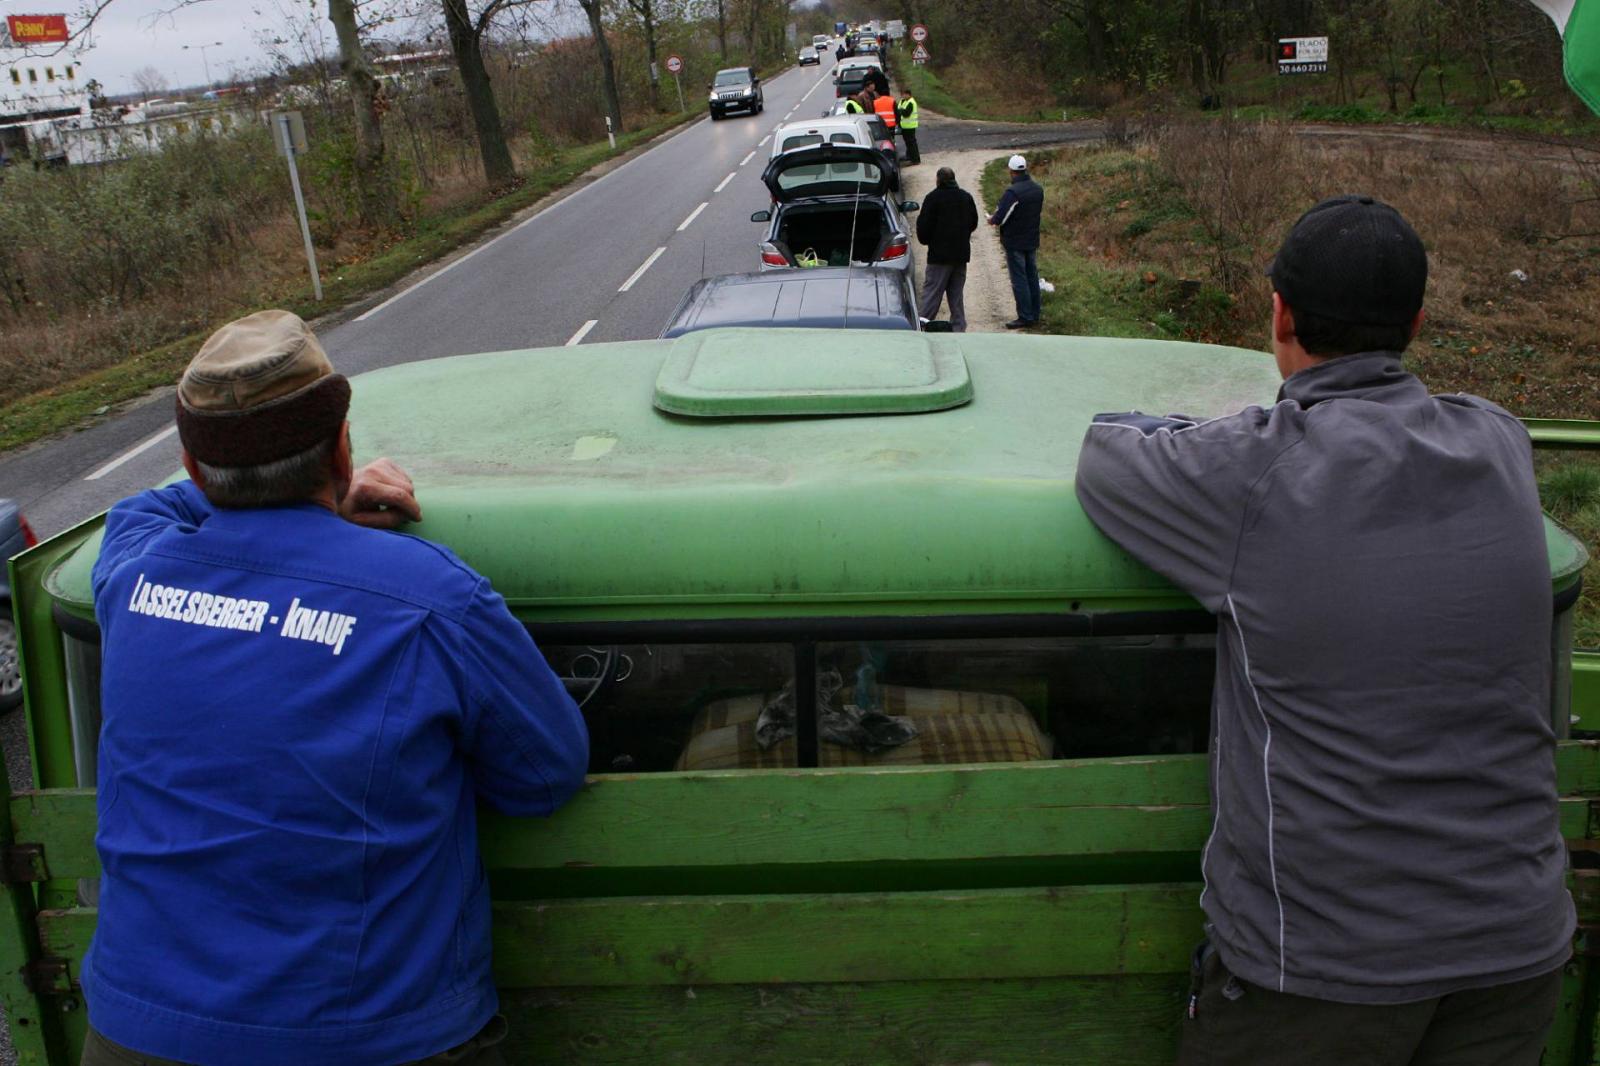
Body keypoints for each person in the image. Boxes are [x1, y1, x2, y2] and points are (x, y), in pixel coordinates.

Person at [1074, 196, 1572, 1066]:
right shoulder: (1500, 442)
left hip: (1318, 974)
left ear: (1281, 314)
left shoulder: (1254, 474)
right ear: (1416, 322)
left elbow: (1105, 453)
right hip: (1518, 949)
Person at [81, 310, 592, 1066]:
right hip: (369, 1039)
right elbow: (546, 774)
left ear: (193, 469)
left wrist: (269, 502)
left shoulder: (132, 574)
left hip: (135, 1032)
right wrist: (326, 511)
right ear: (344, 448)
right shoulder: (433, 600)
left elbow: (143, 509)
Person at [915, 167, 978, 331]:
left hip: (939, 257)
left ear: (938, 180)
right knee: (956, 295)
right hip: (960, 256)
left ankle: (923, 325)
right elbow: (973, 222)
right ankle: (958, 328)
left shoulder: (932, 198)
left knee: (932, 294)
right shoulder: (966, 197)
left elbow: (923, 228)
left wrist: (929, 241)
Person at [987, 153, 1044, 329]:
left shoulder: (1013, 192)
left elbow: (1001, 217)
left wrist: (992, 219)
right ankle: (1035, 313)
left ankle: (1025, 316)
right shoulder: (1037, 189)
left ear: (1011, 171)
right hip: (1032, 238)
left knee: (1019, 279)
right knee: (1032, 276)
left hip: (1015, 241)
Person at [896, 87, 920, 165]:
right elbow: (898, 109)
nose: (902, 96)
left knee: (912, 144)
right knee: (909, 144)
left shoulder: (911, 102)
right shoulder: (904, 101)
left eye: (904, 94)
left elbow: (906, 113)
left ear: (908, 94)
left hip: (910, 126)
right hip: (905, 126)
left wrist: (900, 111)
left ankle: (915, 160)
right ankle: (909, 157)